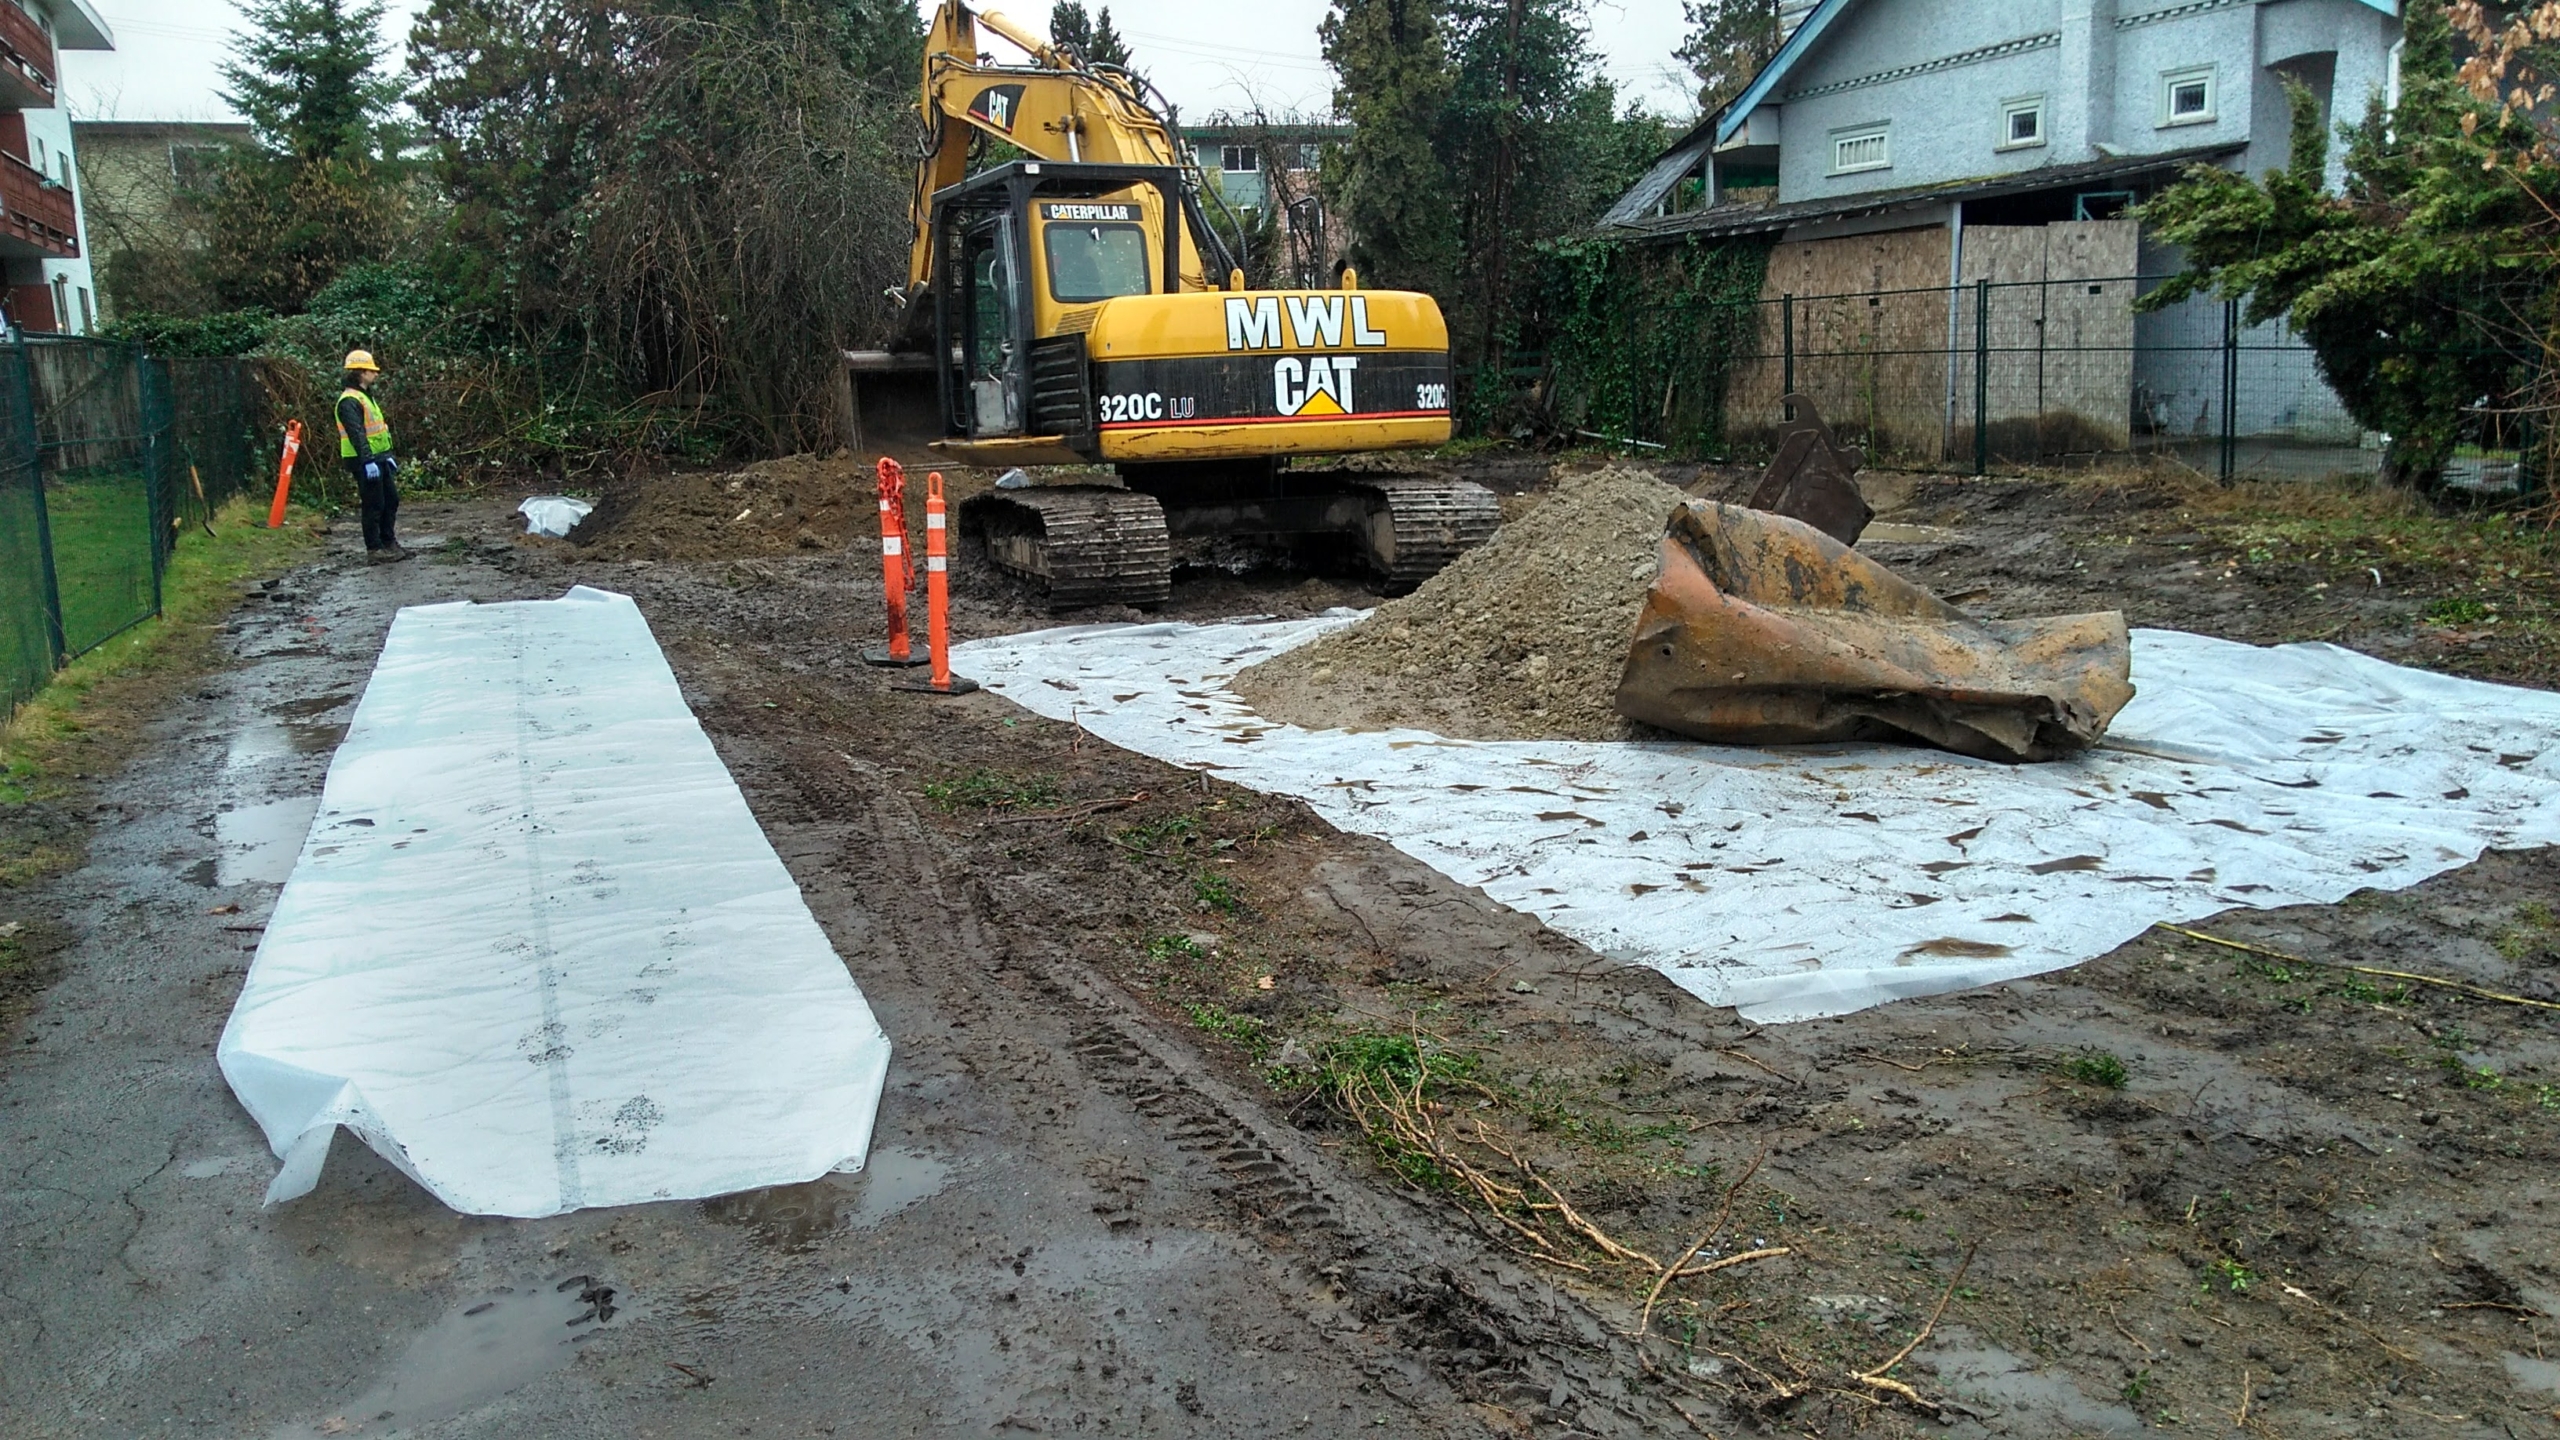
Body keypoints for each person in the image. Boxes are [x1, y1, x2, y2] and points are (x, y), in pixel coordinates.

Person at [337, 350, 409, 563]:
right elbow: (357, 435)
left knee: (391, 500)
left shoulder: (365, 397)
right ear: (360, 372)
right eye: (371, 370)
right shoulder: (349, 401)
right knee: (373, 504)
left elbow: (376, 431)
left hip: (378, 458)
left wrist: (386, 455)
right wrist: (367, 460)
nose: (376, 374)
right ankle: (375, 549)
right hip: (363, 460)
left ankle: (388, 542)